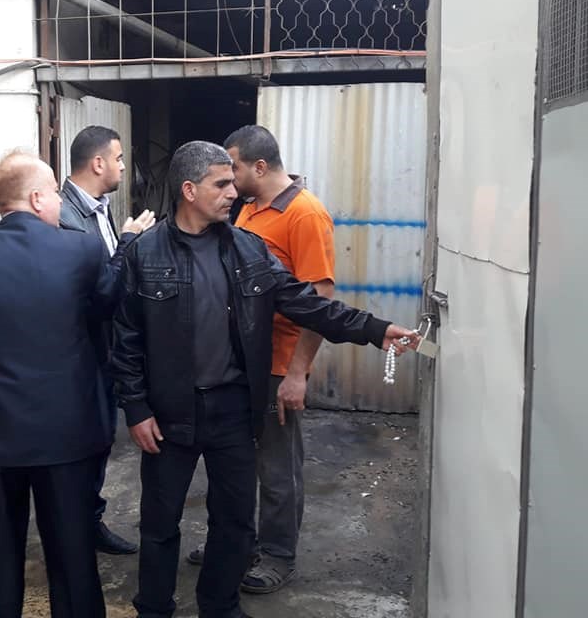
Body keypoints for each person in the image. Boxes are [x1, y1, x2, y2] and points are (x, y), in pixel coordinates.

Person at [108, 141, 419, 618]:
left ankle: (220, 606)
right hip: (169, 414)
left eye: (233, 182)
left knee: (235, 522)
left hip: (233, 410)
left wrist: (375, 330)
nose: (234, 192)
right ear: (189, 190)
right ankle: (153, 607)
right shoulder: (144, 253)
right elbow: (126, 338)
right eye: (221, 184)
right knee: (160, 524)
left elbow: (308, 303)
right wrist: (136, 407)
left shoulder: (248, 250)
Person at [0, 151, 153, 618]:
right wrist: (126, 246)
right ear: (37, 197)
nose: (60, 205)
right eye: (55, 194)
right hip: (67, 433)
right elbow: (108, 309)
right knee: (72, 557)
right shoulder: (82, 250)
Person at [187, 125, 334, 593]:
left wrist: (297, 373)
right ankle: (236, 541)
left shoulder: (305, 214)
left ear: (260, 166)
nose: (228, 180)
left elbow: (320, 299)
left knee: (276, 467)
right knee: (236, 461)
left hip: (277, 366)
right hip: (243, 362)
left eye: (233, 168)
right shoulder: (248, 208)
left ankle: (277, 554)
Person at [59, 125, 139, 555]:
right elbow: (95, 289)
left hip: (102, 352)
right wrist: (128, 243)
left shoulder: (98, 208)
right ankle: (76, 530)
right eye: (119, 158)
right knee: (82, 446)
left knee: (100, 441)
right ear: (97, 163)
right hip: (80, 356)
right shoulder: (65, 217)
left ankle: (90, 522)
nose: (123, 167)